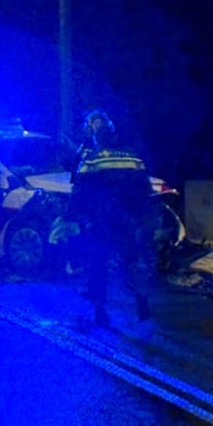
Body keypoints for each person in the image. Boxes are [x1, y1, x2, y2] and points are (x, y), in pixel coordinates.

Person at [69, 109, 154, 327]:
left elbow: (79, 191)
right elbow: (146, 189)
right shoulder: (132, 156)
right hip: (128, 220)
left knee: (99, 262)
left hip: (103, 221)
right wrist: (139, 214)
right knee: (131, 260)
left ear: (94, 134)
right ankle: (142, 300)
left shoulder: (91, 159)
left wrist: (79, 217)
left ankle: (100, 311)